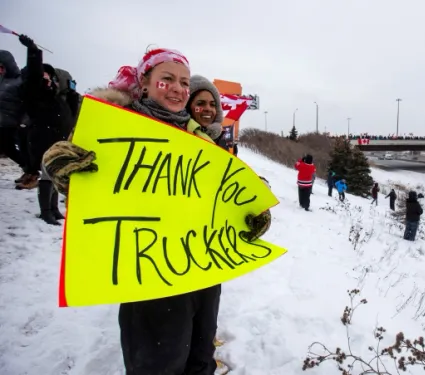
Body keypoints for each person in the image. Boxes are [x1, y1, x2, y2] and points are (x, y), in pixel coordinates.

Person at [43, 46, 272, 375]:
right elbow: (85, 180)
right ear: (145, 83)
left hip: (203, 269)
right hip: (149, 276)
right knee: (158, 364)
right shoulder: (115, 128)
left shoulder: (199, 137)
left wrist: (253, 207)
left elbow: (220, 188)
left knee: (200, 356)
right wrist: (62, 168)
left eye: (183, 82)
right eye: (167, 79)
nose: (179, 88)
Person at [18, 35, 78, 223]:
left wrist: (72, 93)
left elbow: (71, 113)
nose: (47, 78)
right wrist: (33, 51)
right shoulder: (34, 92)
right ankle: (46, 211)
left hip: (58, 140)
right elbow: (35, 75)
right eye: (44, 75)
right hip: (42, 139)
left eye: (49, 76)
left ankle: (54, 209)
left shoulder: (56, 97)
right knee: (47, 175)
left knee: (54, 174)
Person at [0, 50, 27, 180]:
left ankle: (29, 170)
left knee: (10, 149)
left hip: (11, 123)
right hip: (1, 121)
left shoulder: (20, 80)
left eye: (1, 67)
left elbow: (26, 102)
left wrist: (23, 121)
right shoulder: (1, 81)